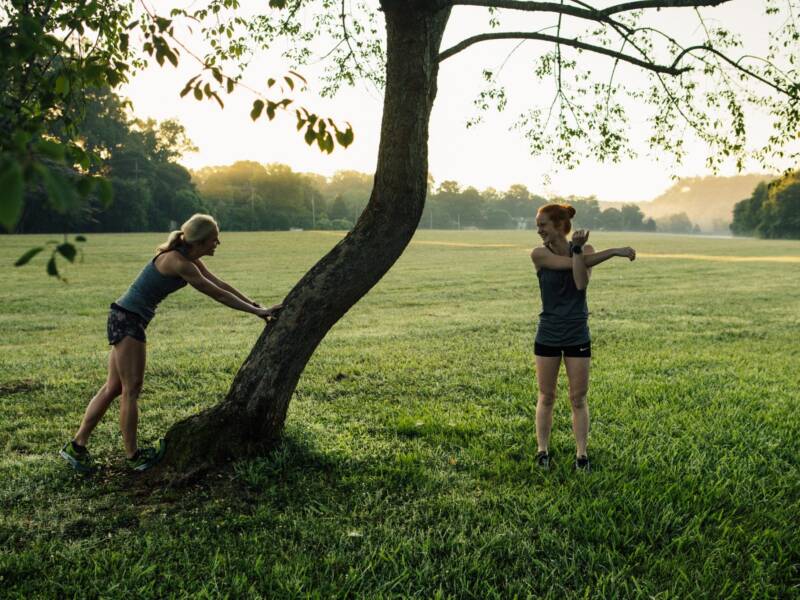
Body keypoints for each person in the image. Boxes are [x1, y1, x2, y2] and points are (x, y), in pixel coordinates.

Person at [60, 214, 282, 473]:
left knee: (114, 387)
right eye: (214, 239)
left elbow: (220, 283)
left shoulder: (189, 258)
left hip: (123, 317)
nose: (217, 243)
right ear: (199, 241)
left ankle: (77, 446)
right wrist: (257, 312)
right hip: (129, 321)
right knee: (131, 389)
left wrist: (257, 306)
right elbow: (217, 294)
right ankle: (133, 456)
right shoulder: (179, 263)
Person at [530, 203, 635, 472]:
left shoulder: (585, 251)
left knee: (578, 398)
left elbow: (580, 282)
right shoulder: (539, 255)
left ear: (558, 226)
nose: (538, 229)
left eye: (543, 224)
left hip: (577, 331)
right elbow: (571, 265)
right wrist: (612, 252)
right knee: (547, 395)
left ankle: (582, 455)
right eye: (538, 224)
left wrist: (579, 250)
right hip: (549, 332)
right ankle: (542, 451)